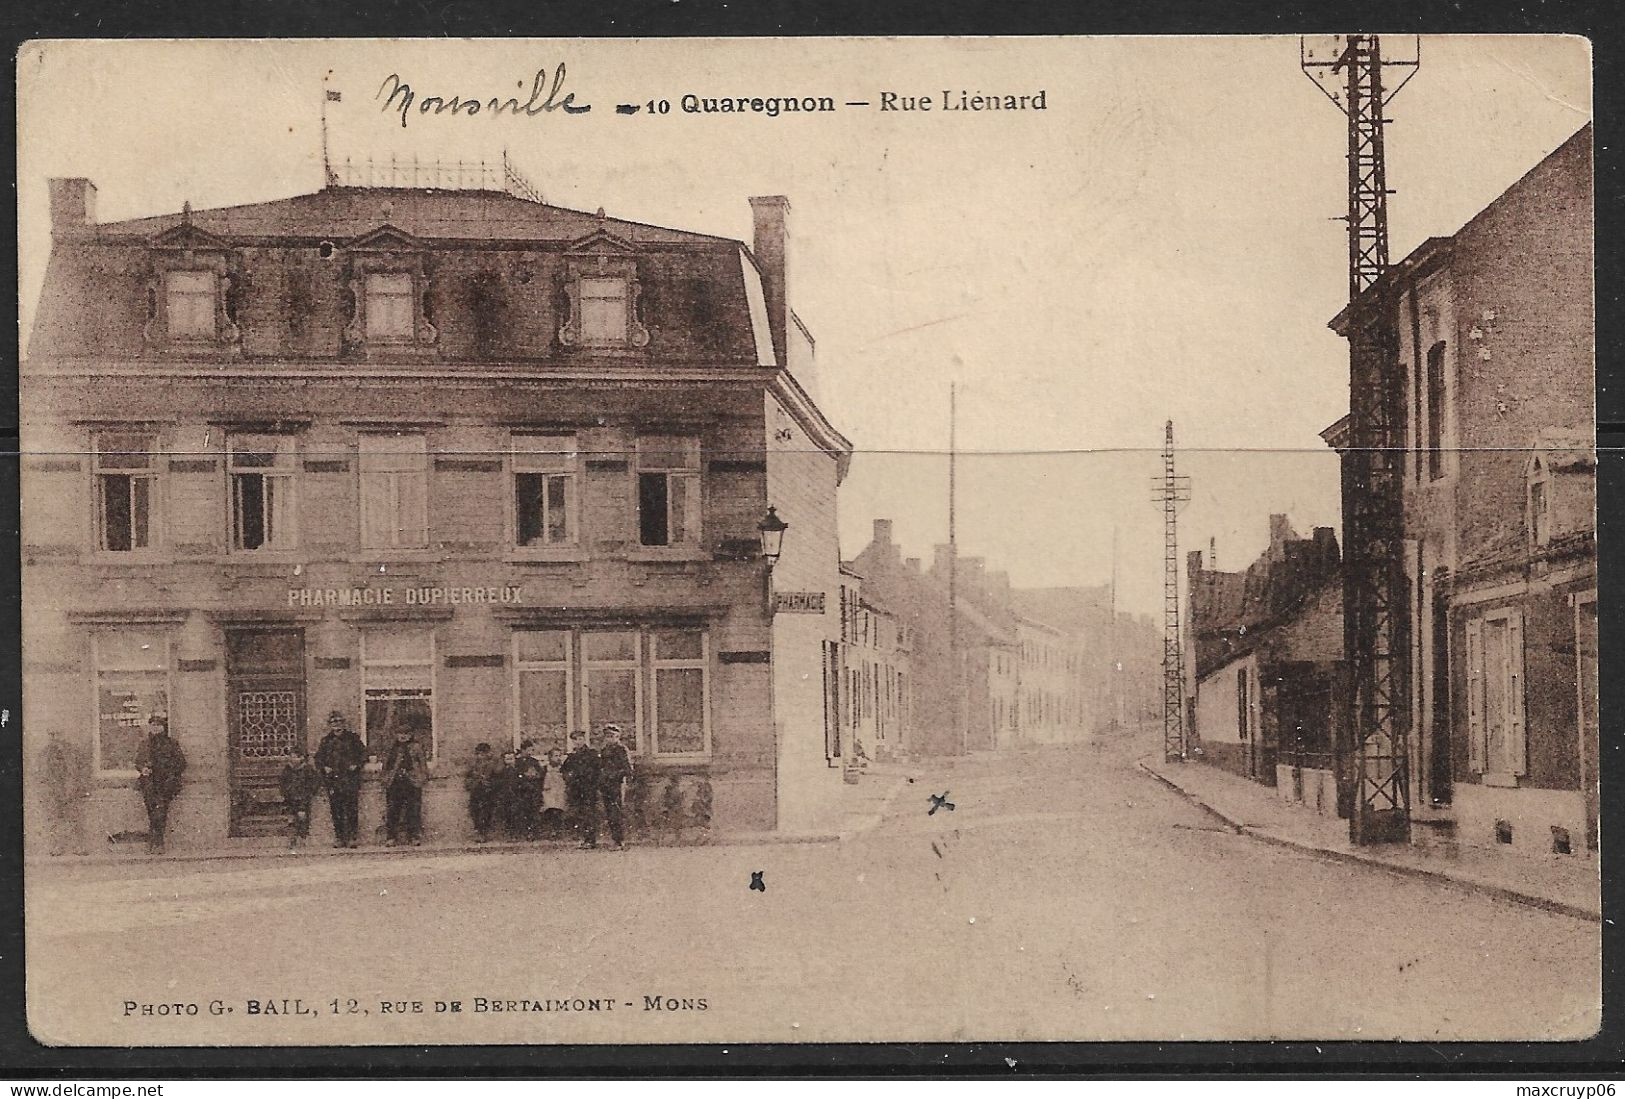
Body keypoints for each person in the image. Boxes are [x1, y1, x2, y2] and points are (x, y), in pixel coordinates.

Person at [134, 716, 186, 854]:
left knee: (160, 811)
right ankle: (155, 842)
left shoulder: (171, 744)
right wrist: (142, 768)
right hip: (149, 783)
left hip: (166, 783)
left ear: (164, 727)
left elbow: (181, 763)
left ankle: (158, 842)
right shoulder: (144, 744)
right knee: (152, 811)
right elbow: (138, 761)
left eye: (158, 725)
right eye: (152, 725)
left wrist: (169, 772)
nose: (155, 728)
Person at [314, 711, 366, 848]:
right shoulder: (326, 741)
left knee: (351, 809)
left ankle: (352, 837)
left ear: (344, 723)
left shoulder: (353, 739)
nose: (337, 725)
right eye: (334, 722)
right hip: (333, 780)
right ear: (330, 725)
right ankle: (339, 837)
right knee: (336, 810)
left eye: (340, 722)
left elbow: (364, 754)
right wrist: (324, 767)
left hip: (349, 779)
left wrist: (357, 765)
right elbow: (318, 759)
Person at [38, 730, 90, 856]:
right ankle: (56, 847)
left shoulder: (74, 752)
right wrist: (46, 790)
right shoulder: (45, 753)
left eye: (58, 734)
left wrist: (78, 788)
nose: (55, 738)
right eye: (52, 735)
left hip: (71, 791)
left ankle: (78, 846)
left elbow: (81, 771)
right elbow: (41, 774)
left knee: (75, 819)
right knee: (54, 821)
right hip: (53, 791)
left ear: (64, 735)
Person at [381, 722, 429, 845]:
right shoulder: (392, 748)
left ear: (410, 735)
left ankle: (414, 836)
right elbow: (386, 765)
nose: (403, 736)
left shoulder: (416, 747)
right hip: (395, 781)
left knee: (413, 809)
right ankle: (391, 837)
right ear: (396, 735)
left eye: (406, 734)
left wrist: (421, 778)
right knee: (393, 809)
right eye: (400, 733)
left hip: (412, 781)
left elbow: (423, 765)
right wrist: (386, 779)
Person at [561, 729, 601, 848]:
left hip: (588, 788)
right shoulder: (571, 756)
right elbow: (564, 771)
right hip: (576, 789)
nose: (578, 742)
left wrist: (591, 782)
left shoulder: (592, 754)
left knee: (589, 813)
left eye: (580, 739)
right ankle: (585, 839)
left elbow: (597, 770)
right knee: (580, 814)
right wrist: (569, 778)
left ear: (584, 740)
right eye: (575, 740)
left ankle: (591, 840)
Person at [598, 723, 634, 851]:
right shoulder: (604, 750)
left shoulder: (621, 750)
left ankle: (619, 841)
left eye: (612, 736)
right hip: (606, 785)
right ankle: (615, 839)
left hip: (617, 784)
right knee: (609, 812)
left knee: (616, 812)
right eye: (607, 736)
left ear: (618, 737)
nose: (610, 739)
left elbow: (628, 769)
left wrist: (613, 775)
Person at [279, 750, 322, 850]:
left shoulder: (307, 769)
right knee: (291, 819)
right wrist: (285, 792)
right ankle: (292, 839)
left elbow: (315, 782)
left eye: (295, 757)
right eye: (291, 757)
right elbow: (282, 783)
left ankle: (303, 839)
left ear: (301, 758)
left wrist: (310, 792)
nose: (292, 759)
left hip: (303, 798)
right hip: (290, 798)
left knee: (302, 817)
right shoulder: (287, 769)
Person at [464, 743, 502, 842]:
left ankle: (484, 832)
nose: (480, 756)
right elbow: (467, 776)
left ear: (488, 753)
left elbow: (498, 776)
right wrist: (470, 784)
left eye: (482, 754)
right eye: (478, 754)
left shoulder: (494, 763)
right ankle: (478, 830)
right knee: (474, 810)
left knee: (486, 812)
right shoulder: (474, 764)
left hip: (488, 790)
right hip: (476, 789)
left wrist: (490, 784)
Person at [512, 739, 545, 840]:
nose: (530, 753)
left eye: (532, 750)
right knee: (521, 812)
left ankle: (532, 833)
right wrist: (523, 777)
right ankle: (521, 832)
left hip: (532, 791)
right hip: (521, 791)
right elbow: (515, 776)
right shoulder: (517, 762)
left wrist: (535, 775)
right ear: (523, 750)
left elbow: (540, 774)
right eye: (528, 750)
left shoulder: (534, 761)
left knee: (533, 812)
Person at [539, 747, 568, 839]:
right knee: (550, 811)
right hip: (549, 792)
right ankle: (551, 831)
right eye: (555, 756)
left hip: (560, 792)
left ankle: (558, 831)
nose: (558, 758)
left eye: (560, 756)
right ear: (550, 757)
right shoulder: (545, 769)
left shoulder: (563, 769)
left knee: (559, 811)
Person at [495, 749, 522, 840]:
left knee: (517, 813)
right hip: (506, 795)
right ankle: (509, 833)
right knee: (507, 814)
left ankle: (516, 833)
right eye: (507, 759)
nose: (510, 761)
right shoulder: (502, 771)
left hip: (517, 794)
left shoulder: (518, 770)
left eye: (512, 759)